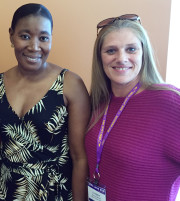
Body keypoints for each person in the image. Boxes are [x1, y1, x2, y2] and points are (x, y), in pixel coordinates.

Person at [0, 3, 90, 201]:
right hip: (6, 193)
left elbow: (79, 158)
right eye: (25, 36)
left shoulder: (70, 85)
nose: (34, 46)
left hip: (53, 194)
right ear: (11, 35)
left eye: (43, 38)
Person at [85, 14, 180, 201]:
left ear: (143, 53)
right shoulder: (98, 101)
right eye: (111, 50)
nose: (121, 58)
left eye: (131, 49)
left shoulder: (169, 102)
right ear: (100, 58)